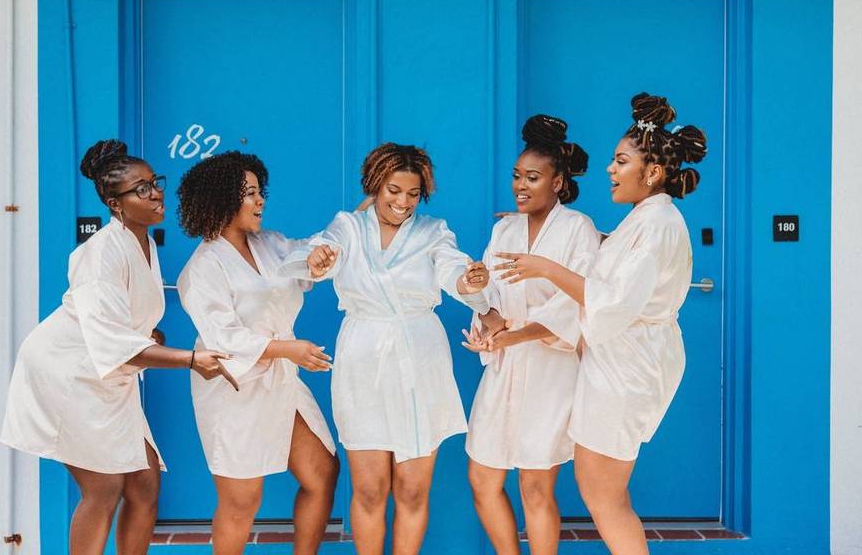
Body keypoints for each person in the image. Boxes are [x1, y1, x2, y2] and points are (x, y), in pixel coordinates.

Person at [493, 94, 707, 555]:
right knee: (598, 486)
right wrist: (540, 223)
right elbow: (614, 263)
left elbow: (609, 300)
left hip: (628, 367)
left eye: (621, 160)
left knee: (602, 490)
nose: (610, 169)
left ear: (651, 173)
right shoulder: (647, 219)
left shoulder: (657, 225)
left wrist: (546, 266)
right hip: (618, 361)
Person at [1, 139, 233, 555]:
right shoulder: (100, 253)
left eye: (154, 182)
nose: (156, 192)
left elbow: (123, 321)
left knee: (144, 485)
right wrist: (191, 359)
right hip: (68, 373)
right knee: (103, 487)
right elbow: (110, 340)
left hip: (108, 375)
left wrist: (148, 335)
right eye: (141, 188)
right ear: (115, 203)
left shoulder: (142, 241)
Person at [280, 143, 490, 555]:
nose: (403, 202)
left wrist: (470, 282)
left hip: (420, 356)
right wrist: (318, 259)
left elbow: (451, 267)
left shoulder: (433, 231)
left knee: (412, 490)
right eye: (394, 190)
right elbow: (322, 250)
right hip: (364, 357)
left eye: (413, 194)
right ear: (376, 184)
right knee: (370, 489)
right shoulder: (348, 227)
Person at [175, 152, 339, 555]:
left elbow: (307, 255)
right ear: (221, 198)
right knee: (241, 501)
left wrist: (322, 255)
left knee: (322, 472)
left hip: (282, 379)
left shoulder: (270, 244)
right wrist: (289, 349)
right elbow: (224, 338)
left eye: (259, 191)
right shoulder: (202, 268)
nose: (260, 200)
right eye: (249, 193)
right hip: (234, 389)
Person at [462, 114, 600, 555]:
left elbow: (577, 304)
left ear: (558, 183)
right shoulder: (504, 229)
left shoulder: (578, 230)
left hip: (550, 370)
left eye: (533, 178)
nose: (521, 185)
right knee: (482, 477)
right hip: (504, 365)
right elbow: (491, 298)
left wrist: (514, 336)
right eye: (517, 176)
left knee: (535, 484)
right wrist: (488, 319)